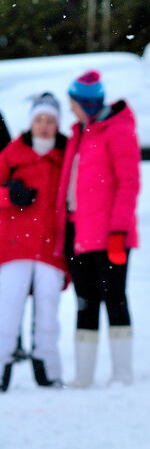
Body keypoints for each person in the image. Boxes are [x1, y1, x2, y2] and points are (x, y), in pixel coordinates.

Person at [55, 70, 141, 388]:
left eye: (73, 104)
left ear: (85, 103)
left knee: (114, 298)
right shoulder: (80, 131)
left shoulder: (117, 130)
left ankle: (122, 373)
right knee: (85, 301)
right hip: (79, 233)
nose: (70, 110)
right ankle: (83, 375)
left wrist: (118, 229)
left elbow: (128, 183)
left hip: (110, 235)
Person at [0, 93, 68, 392]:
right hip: (14, 248)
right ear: (31, 122)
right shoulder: (12, 154)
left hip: (50, 249)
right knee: (7, 313)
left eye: (50, 121)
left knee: (48, 315)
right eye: (39, 119)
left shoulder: (66, 156)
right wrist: (8, 196)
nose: (44, 126)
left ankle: (48, 372)